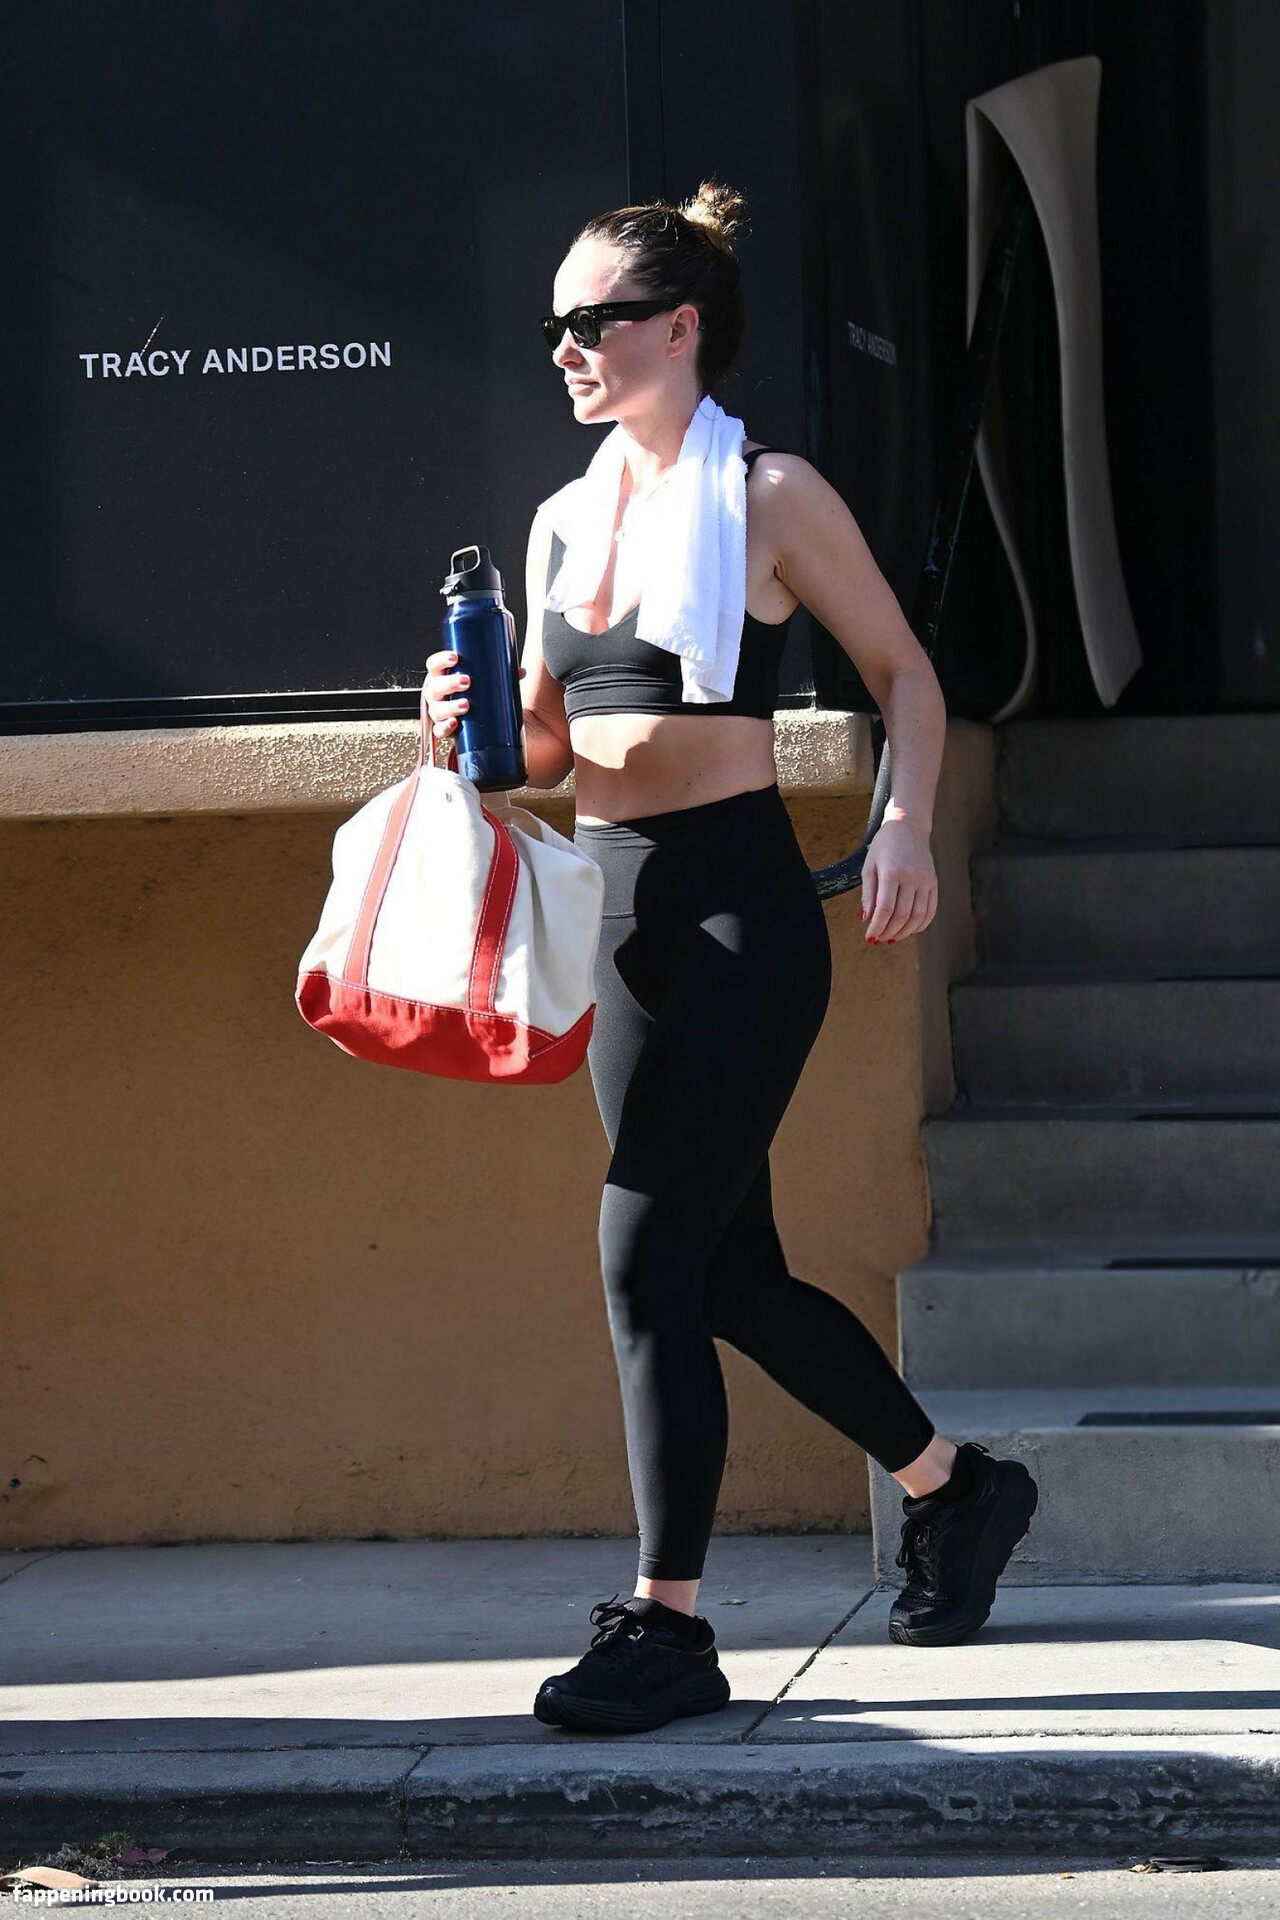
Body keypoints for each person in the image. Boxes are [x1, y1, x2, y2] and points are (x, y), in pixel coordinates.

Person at [423, 179, 1038, 1736]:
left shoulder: (769, 494)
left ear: (680, 327)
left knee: (644, 1255)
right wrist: (464, 727)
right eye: (556, 326)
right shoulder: (563, 523)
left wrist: (903, 830)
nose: (566, 348)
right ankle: (954, 1488)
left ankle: (670, 1626)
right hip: (618, 910)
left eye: (594, 321)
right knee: (729, 1275)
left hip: (739, 915)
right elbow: (549, 749)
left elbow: (906, 677)